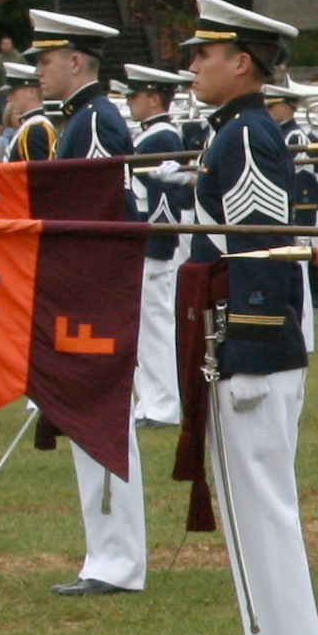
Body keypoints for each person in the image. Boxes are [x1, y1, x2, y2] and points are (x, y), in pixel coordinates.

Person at [184, 0, 318, 635]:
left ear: (241, 63)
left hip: (256, 350)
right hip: (248, 344)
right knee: (255, 513)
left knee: (262, 512)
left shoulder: (243, 136)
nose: (193, 67)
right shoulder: (234, 131)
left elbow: (260, 246)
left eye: (203, 55)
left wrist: (248, 343)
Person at [16, 14, 147, 599]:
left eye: (45, 60)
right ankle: (105, 552)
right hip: (86, 286)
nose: (37, 71)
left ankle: (117, 559)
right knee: (89, 416)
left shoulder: (94, 122)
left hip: (93, 288)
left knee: (101, 416)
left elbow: (93, 209)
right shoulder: (82, 119)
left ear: (75, 62)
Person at [122, 61, 192, 432]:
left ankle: (163, 403)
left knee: (155, 325)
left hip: (152, 242)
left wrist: (158, 241)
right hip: (146, 240)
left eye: (135, 95)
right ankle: (151, 400)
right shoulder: (152, 135)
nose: (129, 101)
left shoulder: (162, 136)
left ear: (153, 98)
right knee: (147, 325)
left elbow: (166, 198)